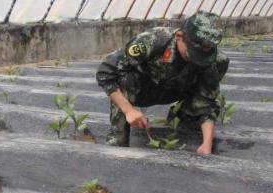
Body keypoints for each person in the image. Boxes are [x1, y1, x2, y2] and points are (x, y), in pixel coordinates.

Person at [96, 11, 229, 154]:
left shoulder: (213, 60)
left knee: (196, 117)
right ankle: (117, 143)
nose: (197, 61)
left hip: (176, 90)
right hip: (143, 88)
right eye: (192, 54)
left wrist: (206, 144)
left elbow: (206, 101)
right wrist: (129, 110)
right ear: (179, 37)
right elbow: (105, 73)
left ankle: (181, 117)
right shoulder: (153, 41)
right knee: (124, 79)